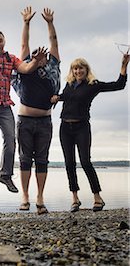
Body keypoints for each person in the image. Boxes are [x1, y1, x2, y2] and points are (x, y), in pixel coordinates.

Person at [0, 28, 48, 193]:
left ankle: (6, 175)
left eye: (0, 41)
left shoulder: (11, 58)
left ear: (4, 42)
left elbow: (26, 69)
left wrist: (36, 61)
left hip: (3, 105)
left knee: (11, 138)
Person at [51, 51, 128, 212]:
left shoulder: (94, 85)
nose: (78, 72)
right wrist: (57, 98)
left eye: (81, 69)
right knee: (69, 163)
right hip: (65, 128)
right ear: (72, 71)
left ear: (86, 70)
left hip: (82, 127)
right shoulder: (69, 84)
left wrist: (123, 66)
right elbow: (65, 96)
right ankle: (75, 199)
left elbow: (118, 85)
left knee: (85, 162)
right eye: (75, 69)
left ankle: (97, 198)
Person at [13, 6, 61, 214]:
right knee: (24, 159)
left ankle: (40, 197)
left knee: (42, 159)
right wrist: (26, 22)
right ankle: (25, 197)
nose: (38, 57)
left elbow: (54, 42)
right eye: (35, 56)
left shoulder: (52, 67)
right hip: (25, 120)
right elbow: (24, 44)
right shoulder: (25, 67)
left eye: (41, 56)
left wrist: (50, 22)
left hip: (44, 121)